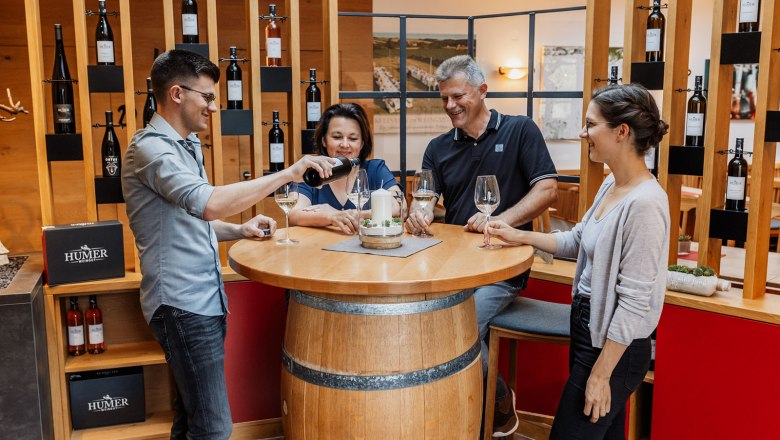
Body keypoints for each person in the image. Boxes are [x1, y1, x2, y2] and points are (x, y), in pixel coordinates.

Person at [122, 50, 335, 440]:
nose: (214, 107)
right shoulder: (151, 150)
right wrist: (289, 172)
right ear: (176, 94)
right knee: (215, 428)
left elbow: (189, 222)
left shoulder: (184, 147)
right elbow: (209, 202)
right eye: (206, 97)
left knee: (191, 419)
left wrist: (240, 230)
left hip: (200, 300)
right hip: (181, 304)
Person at [487, 83, 670, 439]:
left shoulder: (646, 203)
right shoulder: (611, 185)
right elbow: (576, 240)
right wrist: (519, 234)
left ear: (621, 132)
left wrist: (601, 374)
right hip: (588, 329)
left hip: (615, 347)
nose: (582, 133)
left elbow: (634, 303)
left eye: (590, 124)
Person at [404, 54, 558, 437]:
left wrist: (501, 221)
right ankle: (466, 409)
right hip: (450, 266)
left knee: (461, 325)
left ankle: (498, 405)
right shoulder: (438, 147)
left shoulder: (520, 130)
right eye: (444, 99)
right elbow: (423, 198)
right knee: (430, 322)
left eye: (458, 96)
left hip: (501, 266)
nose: (450, 106)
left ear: (482, 91)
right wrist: (416, 212)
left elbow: (547, 189)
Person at [289, 103, 404, 234]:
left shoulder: (376, 170)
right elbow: (293, 214)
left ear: (362, 143)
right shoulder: (311, 173)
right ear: (324, 141)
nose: (344, 144)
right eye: (337, 137)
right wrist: (331, 216)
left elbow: (399, 207)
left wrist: (355, 215)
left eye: (353, 138)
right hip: (321, 251)